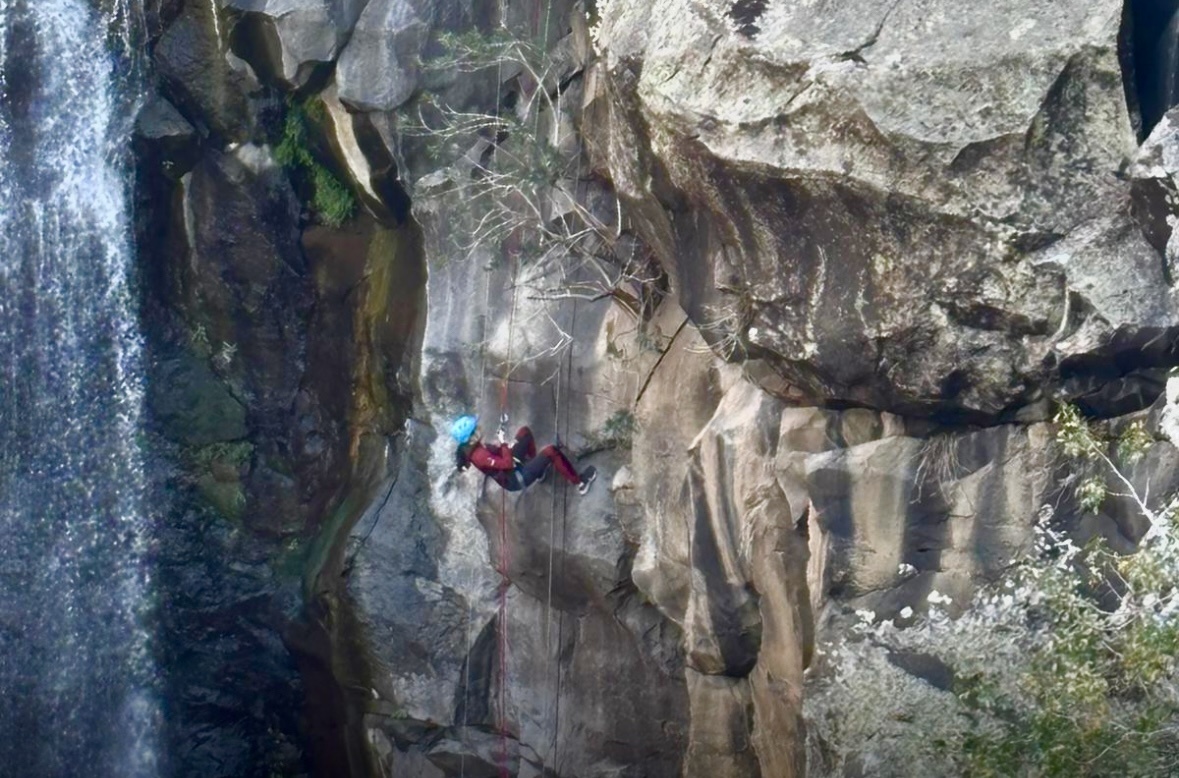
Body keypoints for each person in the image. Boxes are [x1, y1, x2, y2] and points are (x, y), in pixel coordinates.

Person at [450, 414, 597, 495]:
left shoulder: (474, 447)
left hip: (512, 468)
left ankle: (537, 470)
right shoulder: (479, 455)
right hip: (515, 479)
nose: (479, 427)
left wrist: (502, 428)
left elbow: (499, 455)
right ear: (472, 436)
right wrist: (503, 442)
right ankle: (580, 482)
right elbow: (507, 463)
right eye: (476, 427)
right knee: (551, 452)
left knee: (524, 432)